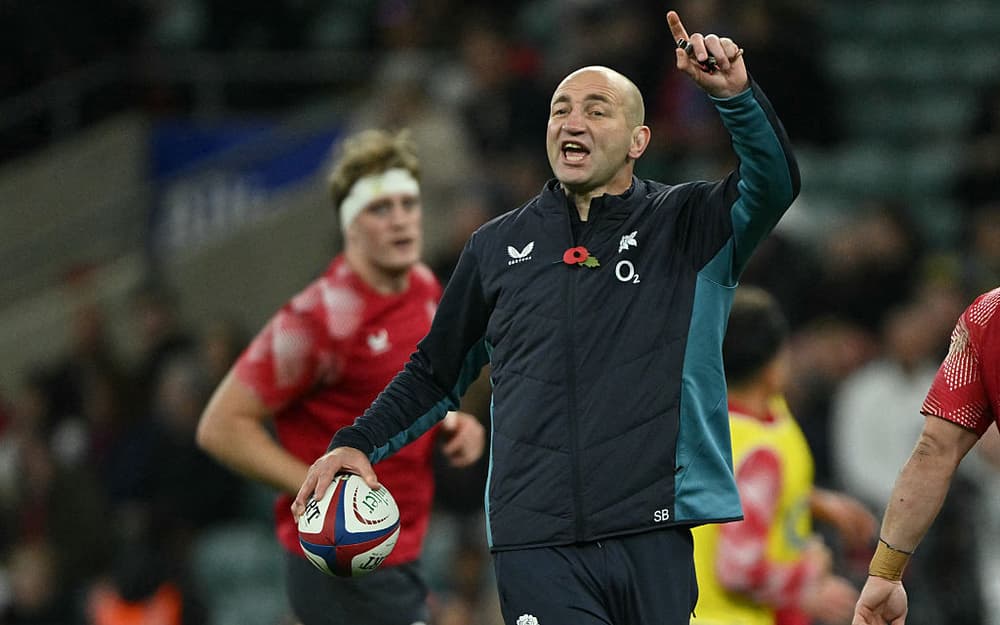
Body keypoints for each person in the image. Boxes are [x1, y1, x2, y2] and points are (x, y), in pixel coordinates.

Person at [294, 10, 800, 625]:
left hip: (652, 527)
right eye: (561, 109)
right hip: (535, 539)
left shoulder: (688, 224)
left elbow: (773, 184)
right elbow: (435, 372)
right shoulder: (494, 248)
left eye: (596, 109)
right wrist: (358, 442)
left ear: (638, 141)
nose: (572, 121)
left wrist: (735, 98)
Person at [195, 128, 486, 625]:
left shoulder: (423, 290)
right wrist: (320, 493)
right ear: (351, 223)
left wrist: (451, 424)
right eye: (380, 208)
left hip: (400, 548)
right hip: (340, 555)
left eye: (408, 204)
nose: (401, 221)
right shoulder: (315, 320)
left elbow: (411, 391)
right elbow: (220, 426)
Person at [691, 286, 876, 625]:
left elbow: (744, 495)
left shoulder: (714, 417)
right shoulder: (756, 450)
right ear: (773, 364)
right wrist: (808, 580)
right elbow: (738, 569)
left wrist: (813, 501)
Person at [852, 285, 1000, 625]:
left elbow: (935, 449)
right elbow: (935, 450)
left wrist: (886, 574)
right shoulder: (988, 316)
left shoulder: (989, 315)